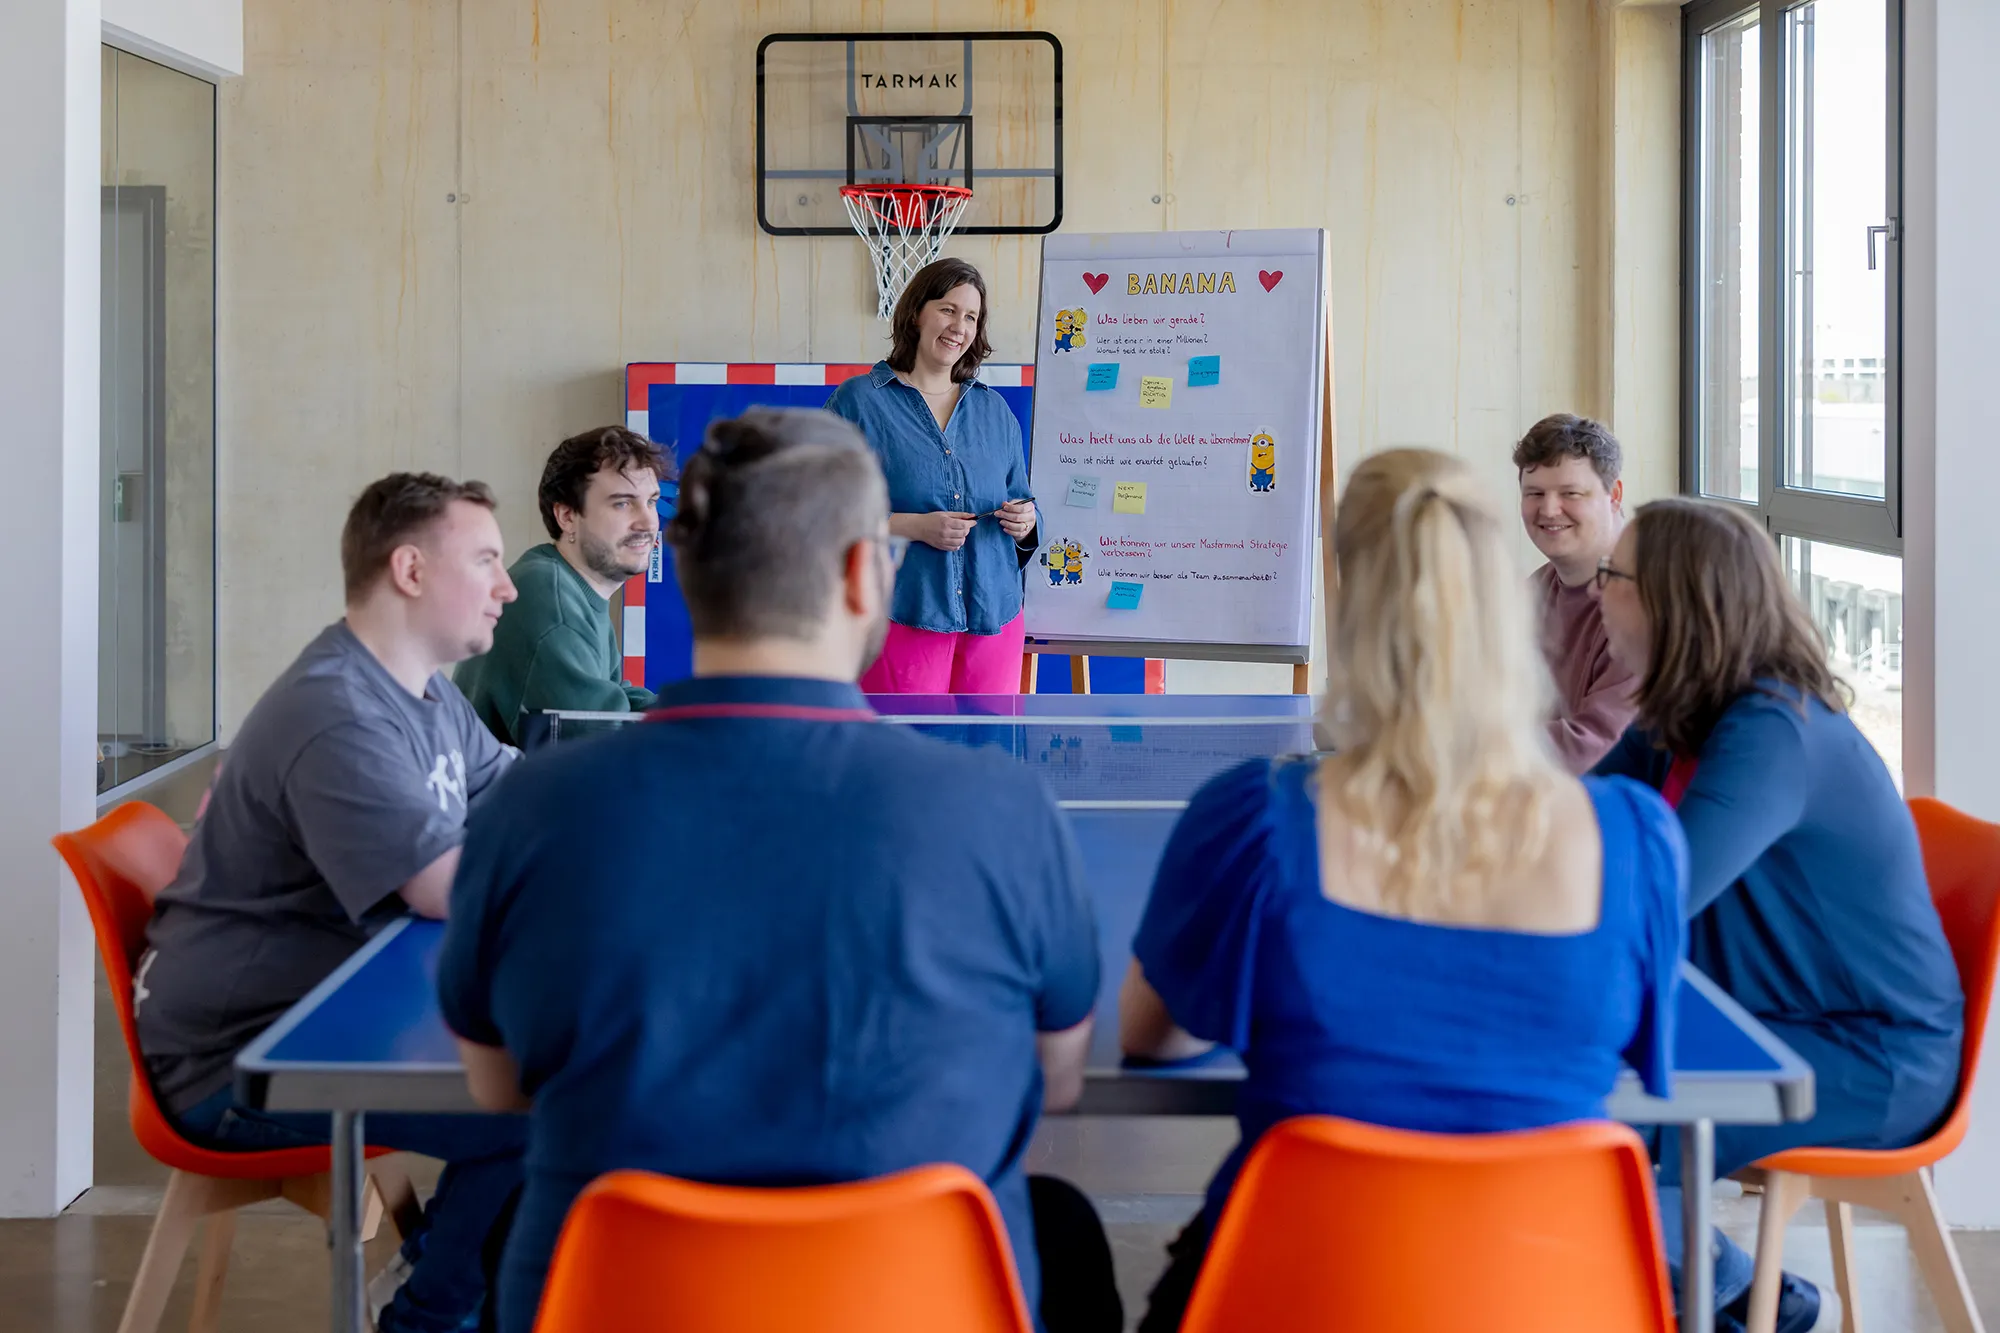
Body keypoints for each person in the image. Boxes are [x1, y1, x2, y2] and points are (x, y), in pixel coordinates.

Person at [438, 408, 1120, 1333]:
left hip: (624, 1306)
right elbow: (1058, 1077)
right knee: (1063, 1227)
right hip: (913, 1307)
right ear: (864, 574)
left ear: (690, 572)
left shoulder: (530, 807)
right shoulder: (1008, 807)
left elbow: (498, 1086)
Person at [1119, 448, 1688, 1333]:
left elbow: (1152, 1035)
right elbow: (1640, 1053)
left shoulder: (1254, 822)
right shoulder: (1638, 841)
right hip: (1549, 1303)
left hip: (1296, 1297)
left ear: (1351, 599)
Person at [133, 473, 528, 1333]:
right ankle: (427, 1316)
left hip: (327, 1016)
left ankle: (448, 1280)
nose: (507, 586)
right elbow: (444, 887)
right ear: (411, 570)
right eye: (487, 561)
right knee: (541, 1107)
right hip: (240, 1064)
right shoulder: (338, 711)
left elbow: (518, 792)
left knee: (548, 1084)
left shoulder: (427, 691)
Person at [1594, 497, 1962, 1333]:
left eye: (1612, 576)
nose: (1597, 591)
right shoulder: (1684, 716)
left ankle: (1723, 1297)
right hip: (1770, 1019)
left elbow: (1653, 900)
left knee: (1605, 1108)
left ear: (1670, 602)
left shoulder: (1772, 731)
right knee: (1585, 1086)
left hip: (1872, 1054)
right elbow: (1573, 818)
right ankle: (1738, 1293)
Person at [826, 257, 1039, 693]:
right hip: (901, 614)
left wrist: (1026, 522)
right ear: (916, 313)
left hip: (995, 618)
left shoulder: (995, 411)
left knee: (989, 740)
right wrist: (912, 527)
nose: (959, 326)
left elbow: (1022, 500)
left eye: (971, 317)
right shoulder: (859, 403)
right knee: (906, 739)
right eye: (948, 309)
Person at [456, 426, 668, 744]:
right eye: (623, 504)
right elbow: (601, 744)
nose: (648, 522)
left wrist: (700, 715)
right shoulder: (551, 599)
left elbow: (618, 699)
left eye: (651, 501)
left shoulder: (570, 586)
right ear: (567, 516)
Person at [1515, 413, 1639, 772]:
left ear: (1614, 495)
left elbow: (1594, 747)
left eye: (1570, 493)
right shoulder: (1535, 590)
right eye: (1535, 493)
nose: (1549, 509)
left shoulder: (1646, 602)